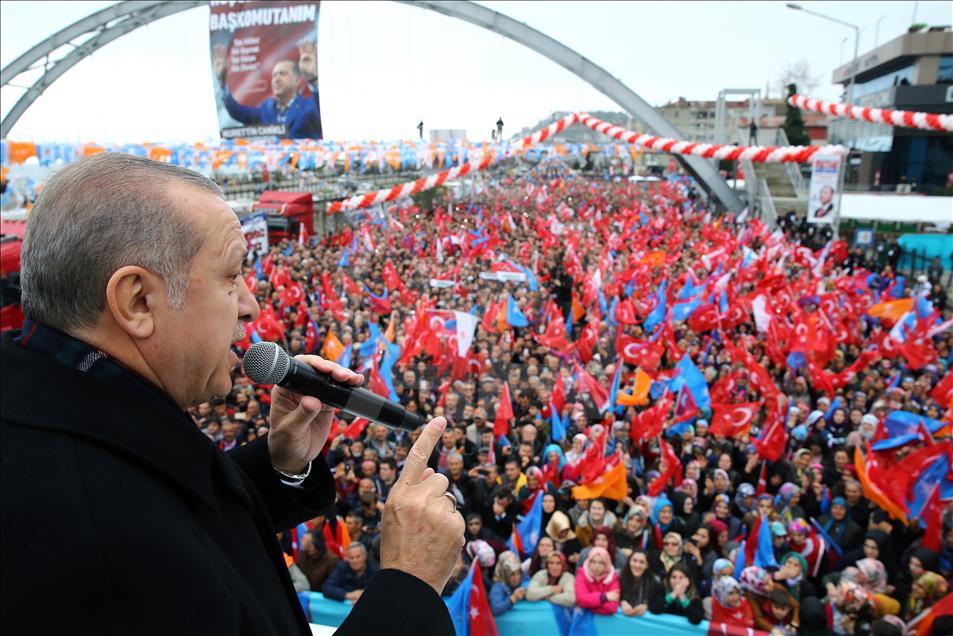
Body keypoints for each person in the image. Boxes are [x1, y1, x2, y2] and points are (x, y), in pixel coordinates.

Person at [1, 154, 462, 635]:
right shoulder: (107, 551)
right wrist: (410, 583)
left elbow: (173, 510)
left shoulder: (51, 413)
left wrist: (280, 464)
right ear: (137, 301)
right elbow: (155, 544)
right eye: (231, 275)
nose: (251, 305)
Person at [214, 50, 322, 139]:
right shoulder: (266, 107)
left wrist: (313, 79)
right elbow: (238, 112)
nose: (277, 79)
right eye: (274, 75)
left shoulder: (308, 106)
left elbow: (320, 106)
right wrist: (222, 84)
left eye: (282, 74)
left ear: (297, 81)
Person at [574, 546, 621, 615]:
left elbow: (611, 607)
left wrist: (588, 605)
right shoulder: (582, 574)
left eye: (601, 562)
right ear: (589, 562)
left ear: (606, 564)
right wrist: (604, 597)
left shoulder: (613, 577)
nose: (597, 566)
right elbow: (581, 600)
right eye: (593, 562)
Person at [618, 550, 661, 618]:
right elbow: (610, 596)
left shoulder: (655, 581)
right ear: (629, 562)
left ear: (647, 565)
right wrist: (621, 602)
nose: (637, 565)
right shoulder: (618, 576)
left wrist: (647, 606)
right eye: (634, 560)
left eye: (642, 562)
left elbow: (659, 604)